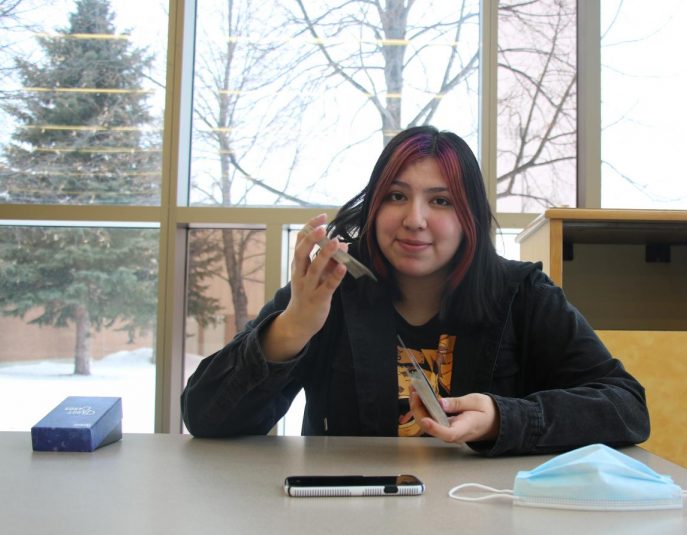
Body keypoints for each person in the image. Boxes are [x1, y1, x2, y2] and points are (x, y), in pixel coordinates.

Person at [181, 125, 649, 456]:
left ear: (469, 217)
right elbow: (206, 417)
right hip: (350, 532)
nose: (415, 219)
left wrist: (503, 419)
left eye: (440, 201)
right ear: (373, 206)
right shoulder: (329, 291)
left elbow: (626, 407)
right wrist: (293, 327)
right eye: (396, 196)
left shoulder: (522, 293)